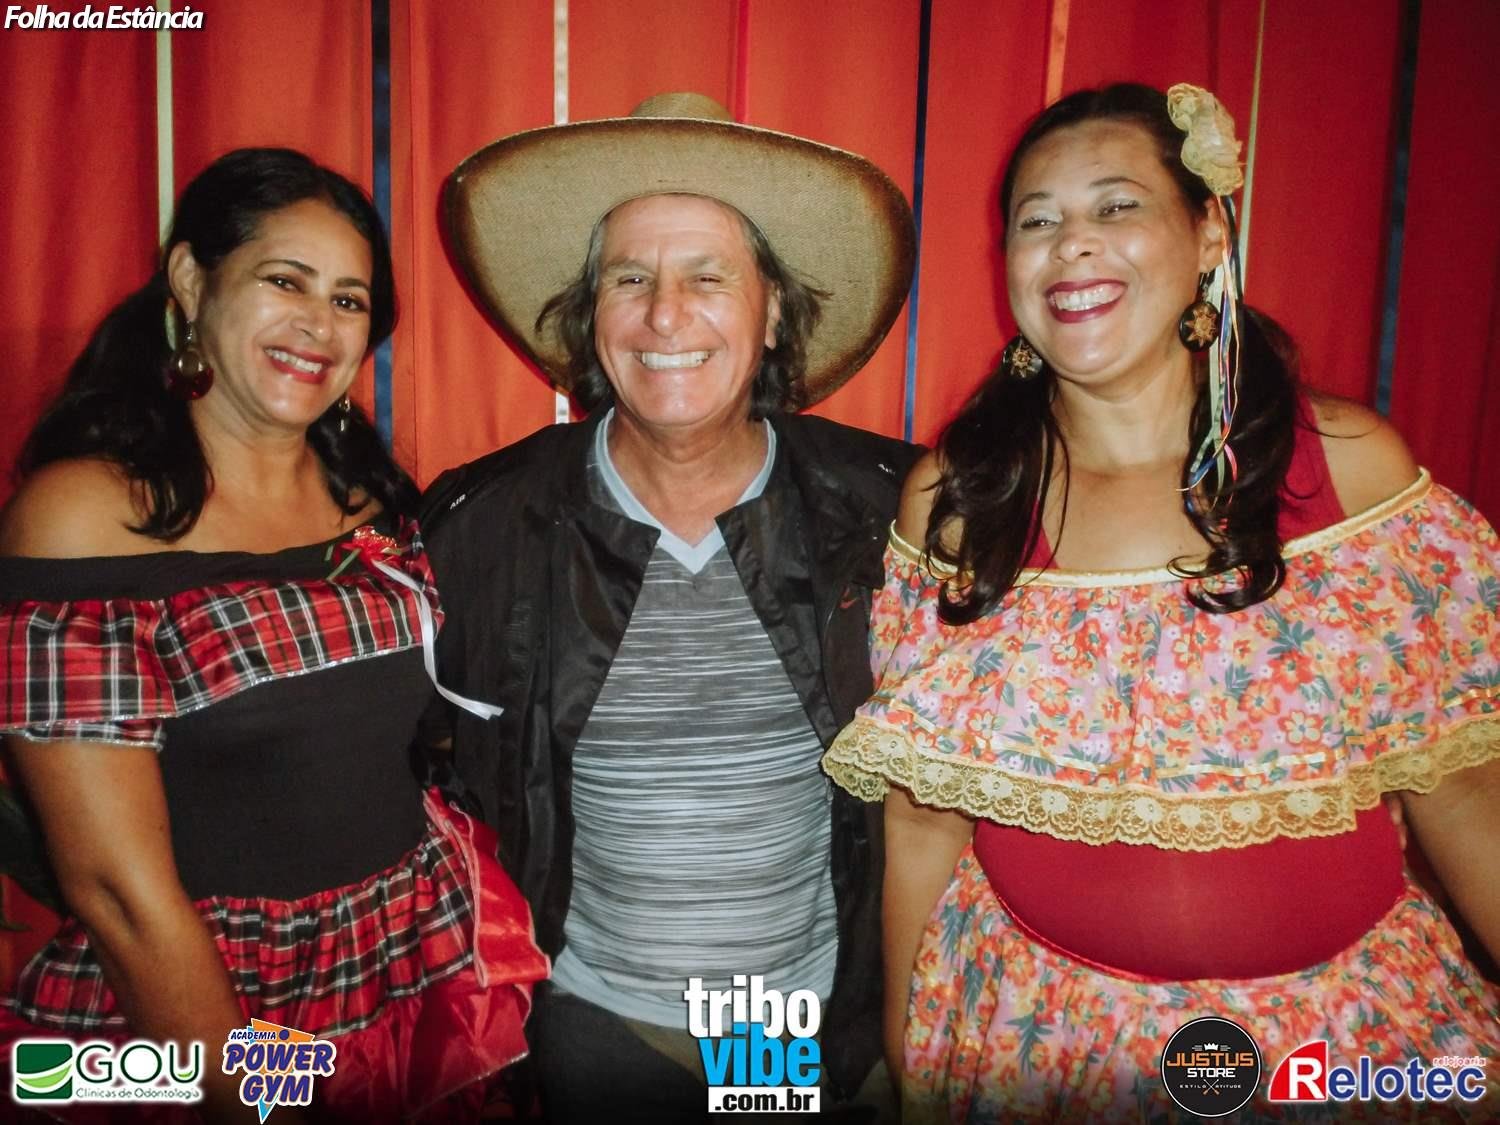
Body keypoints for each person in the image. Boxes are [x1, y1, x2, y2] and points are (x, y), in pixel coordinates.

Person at [822, 83, 1500, 1121]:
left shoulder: (1349, 472)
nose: (1071, 244)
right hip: (1045, 1038)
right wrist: (916, 1072)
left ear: (1209, 234)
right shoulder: (963, 504)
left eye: (1116, 205)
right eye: (1037, 221)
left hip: (1341, 1043)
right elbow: (922, 827)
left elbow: (1458, 787)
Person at [0, 148, 547, 1122]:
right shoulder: (82, 516)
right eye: (285, 281)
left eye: (349, 299)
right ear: (190, 279)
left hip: (409, 966)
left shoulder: (369, 498)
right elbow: (117, 891)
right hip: (212, 1002)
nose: (320, 325)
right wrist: (262, 1093)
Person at [422, 93, 920, 1122]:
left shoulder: (890, 515)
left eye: (708, 276)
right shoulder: (481, 525)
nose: (664, 315)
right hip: (595, 1029)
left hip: (794, 1025)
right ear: (591, 314)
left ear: (771, 313)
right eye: (630, 278)